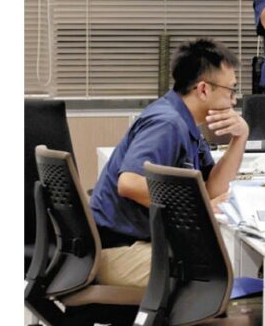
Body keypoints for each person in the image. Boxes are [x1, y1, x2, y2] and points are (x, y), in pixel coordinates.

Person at [89, 38, 250, 288]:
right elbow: (129, 183)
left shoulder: (186, 122)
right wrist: (199, 205)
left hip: (138, 243)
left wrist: (240, 138)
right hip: (118, 251)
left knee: (220, 264)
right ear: (204, 89)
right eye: (230, 90)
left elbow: (213, 190)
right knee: (213, 279)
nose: (234, 101)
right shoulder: (167, 123)